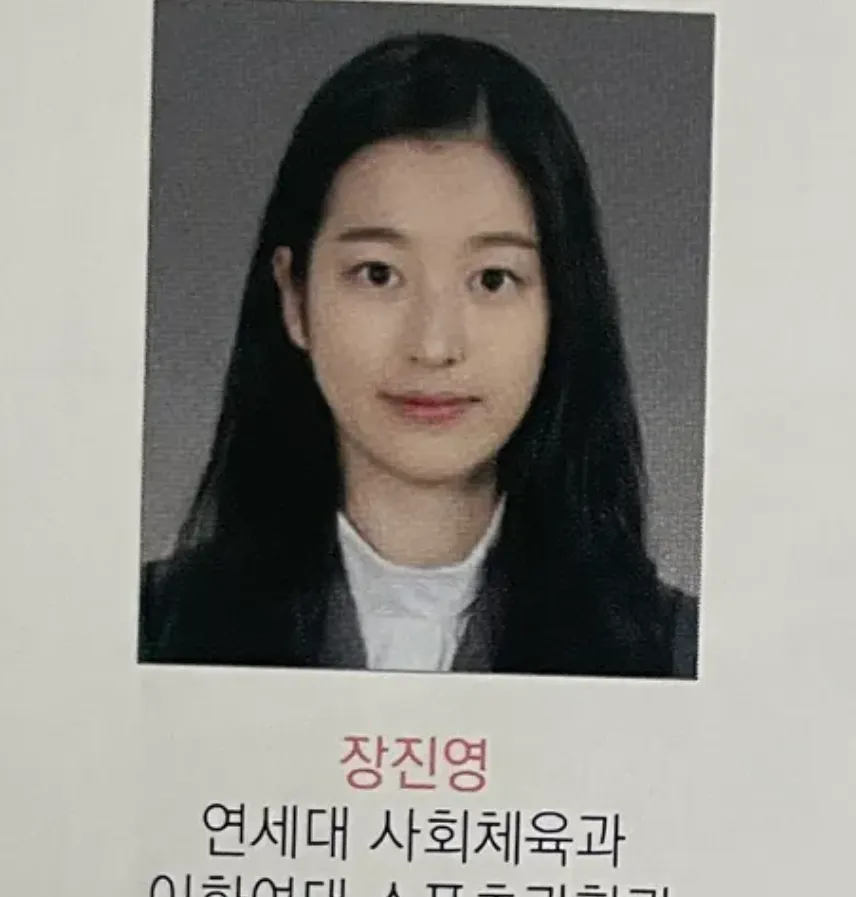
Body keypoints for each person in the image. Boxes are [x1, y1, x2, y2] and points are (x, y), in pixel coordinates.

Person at [139, 31, 698, 677]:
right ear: (294, 298)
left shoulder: (675, 653)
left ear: (562, 307)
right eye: (378, 274)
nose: (433, 346)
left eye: (493, 279)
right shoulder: (150, 630)